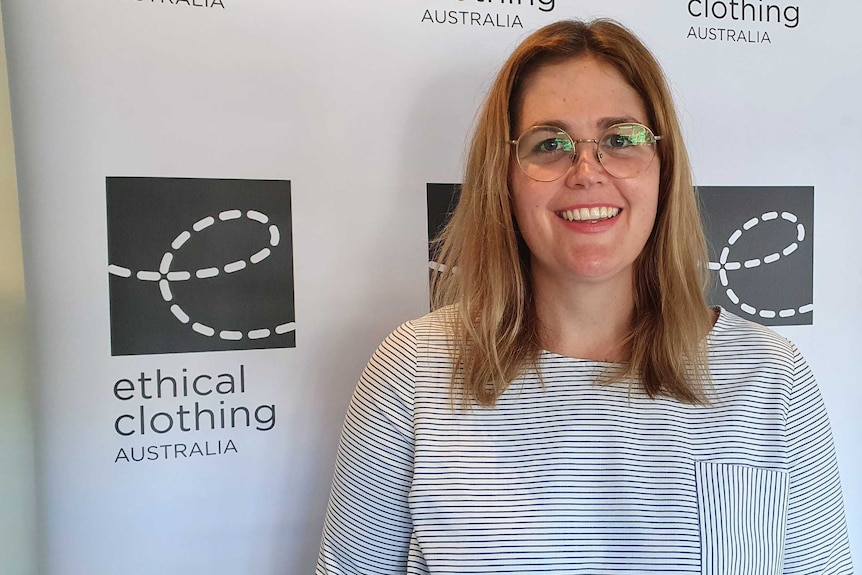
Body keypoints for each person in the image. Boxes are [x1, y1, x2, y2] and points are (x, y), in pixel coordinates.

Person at [316, 19, 854, 574]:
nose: (586, 172)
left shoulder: (770, 380)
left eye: (621, 140)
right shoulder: (416, 369)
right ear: (502, 177)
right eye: (549, 144)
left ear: (663, 170)